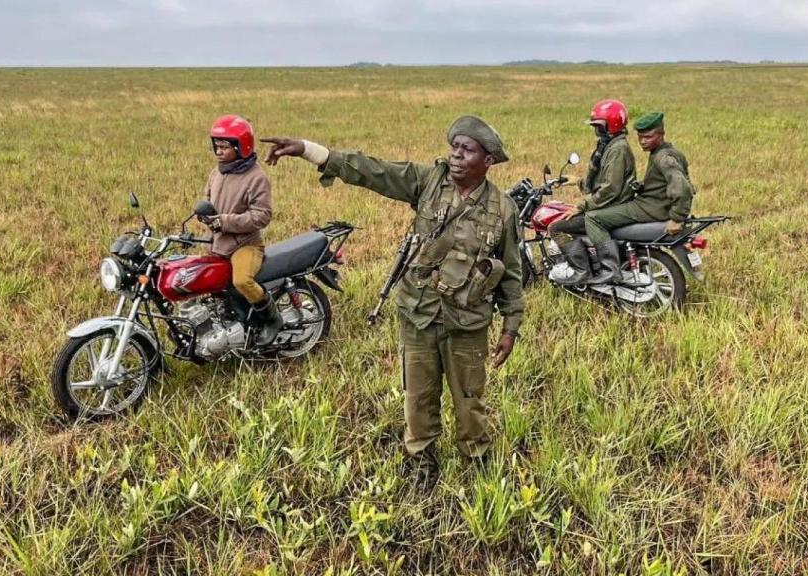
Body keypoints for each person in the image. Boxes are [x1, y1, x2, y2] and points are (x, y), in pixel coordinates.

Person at [262, 116, 525, 487]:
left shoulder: (503, 209)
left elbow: (512, 273)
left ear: (488, 160)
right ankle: (421, 457)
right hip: (418, 311)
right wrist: (310, 151)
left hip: (468, 320)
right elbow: (373, 171)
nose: (456, 155)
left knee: (469, 399)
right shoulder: (428, 181)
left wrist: (511, 327)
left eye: (467, 150)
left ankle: (476, 458)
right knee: (418, 394)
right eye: (455, 147)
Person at [582, 111, 695, 284]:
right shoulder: (666, 152)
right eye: (640, 137)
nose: (643, 141)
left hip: (651, 208)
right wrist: (642, 186)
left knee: (592, 218)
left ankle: (610, 269)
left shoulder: (663, 158)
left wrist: (678, 218)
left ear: (661, 133)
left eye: (648, 137)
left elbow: (682, 187)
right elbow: (663, 184)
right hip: (653, 203)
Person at [199, 114, 282, 346]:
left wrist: (224, 222)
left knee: (242, 280)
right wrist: (204, 214)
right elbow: (207, 199)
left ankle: (271, 320)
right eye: (216, 146)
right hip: (217, 243)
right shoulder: (217, 173)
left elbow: (262, 216)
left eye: (224, 147)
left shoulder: (256, 178)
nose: (218, 151)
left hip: (245, 245)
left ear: (241, 146)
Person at [547, 99, 637, 285]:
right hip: (612, 203)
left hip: (612, 206)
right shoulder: (610, 145)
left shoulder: (617, 149)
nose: (596, 130)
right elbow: (603, 182)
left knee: (556, 227)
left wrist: (582, 205)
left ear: (610, 125)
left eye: (598, 126)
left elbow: (610, 189)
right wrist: (578, 182)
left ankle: (581, 270)